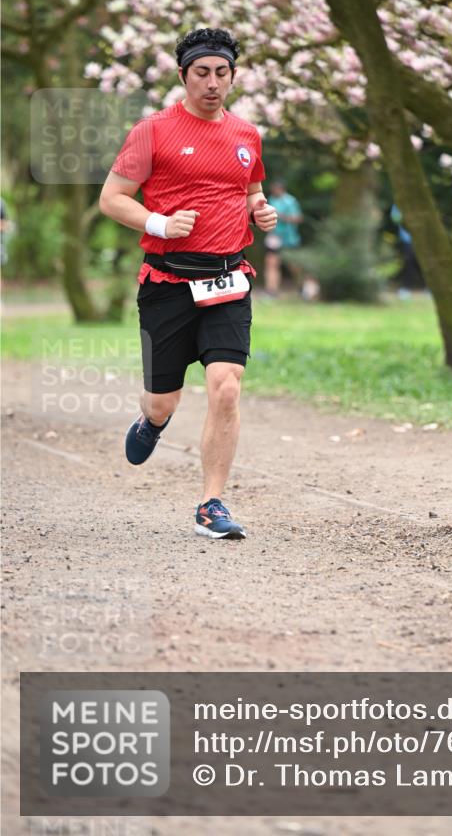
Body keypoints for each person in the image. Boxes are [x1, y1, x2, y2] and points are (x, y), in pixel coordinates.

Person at [99, 27, 278, 540]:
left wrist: (260, 210)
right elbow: (112, 198)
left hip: (228, 278)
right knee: (163, 400)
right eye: (202, 73)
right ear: (183, 76)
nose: (212, 83)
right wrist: (159, 223)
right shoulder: (152, 131)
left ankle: (211, 504)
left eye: (222, 73)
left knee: (226, 387)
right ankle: (152, 422)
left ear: (233, 77)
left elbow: (250, 191)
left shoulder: (246, 135)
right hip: (168, 282)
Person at [263, 179, 303, 297]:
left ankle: (301, 287)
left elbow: (298, 218)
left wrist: (280, 216)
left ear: (281, 189)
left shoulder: (290, 201)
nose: (273, 191)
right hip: (274, 237)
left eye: (275, 189)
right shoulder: (271, 199)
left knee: (293, 266)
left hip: (289, 238)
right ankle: (271, 291)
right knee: (271, 263)